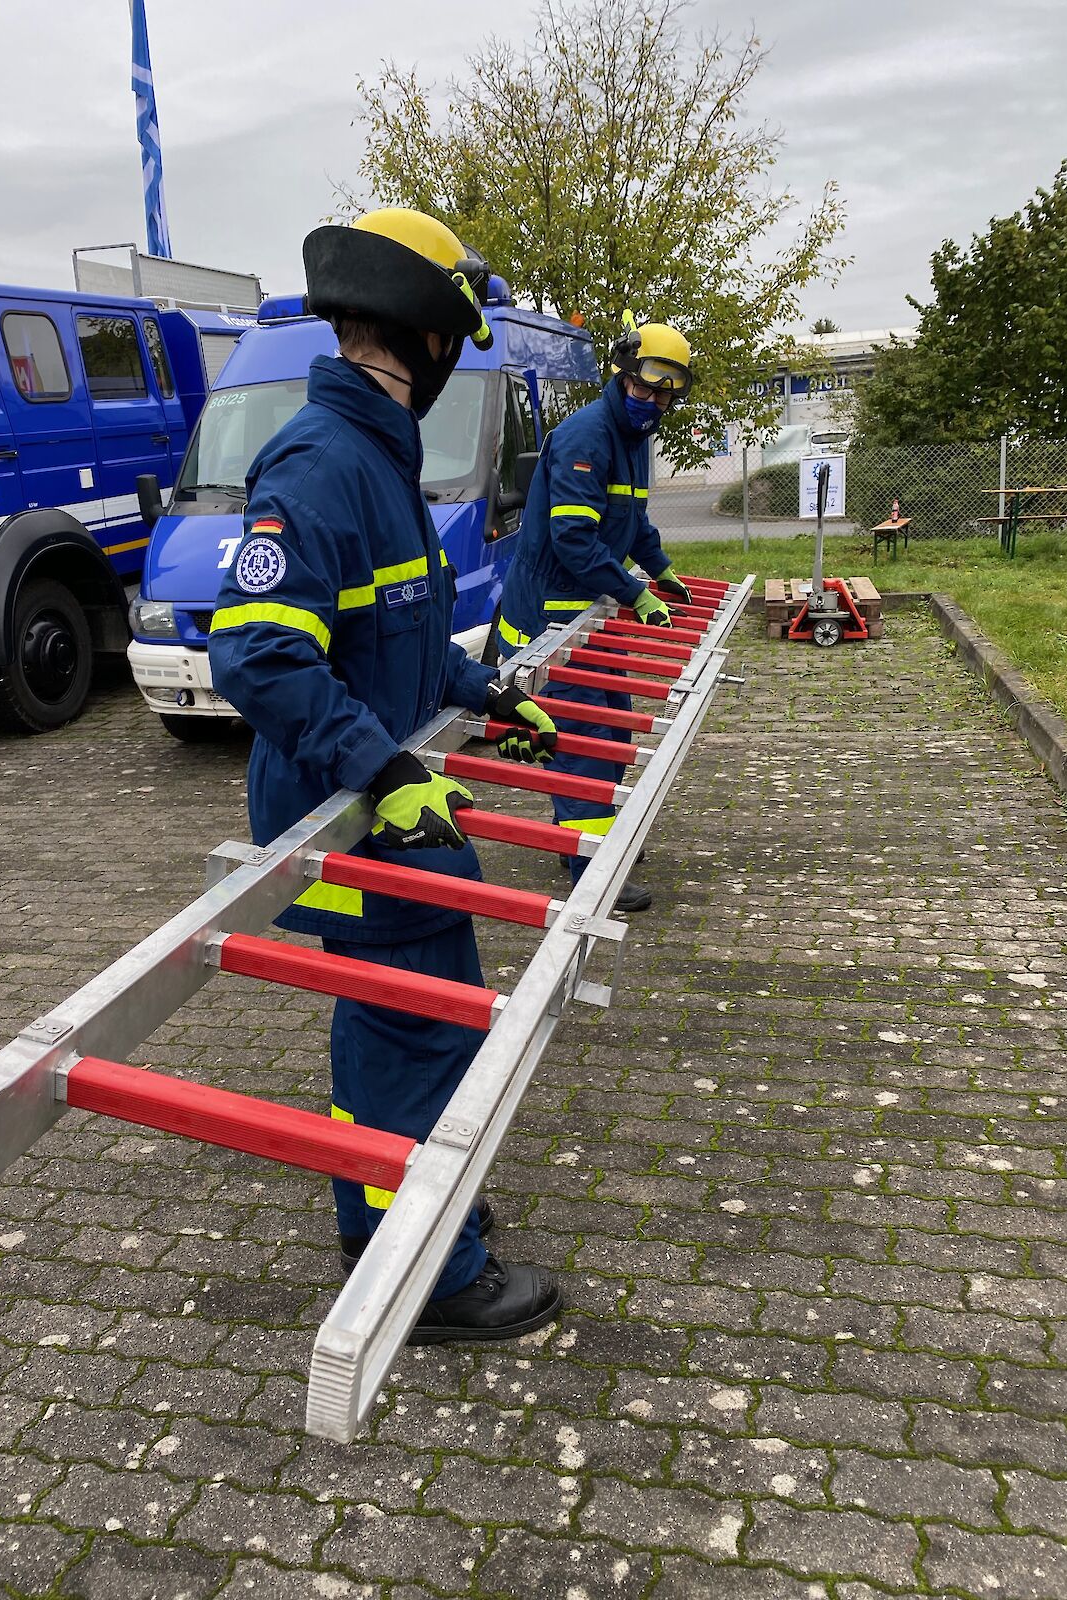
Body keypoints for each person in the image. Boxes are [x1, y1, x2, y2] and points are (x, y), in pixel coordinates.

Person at [207, 207, 562, 1342]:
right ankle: (432, 1271)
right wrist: (388, 769)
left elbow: (394, 633)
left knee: (389, 1016)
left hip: (378, 791)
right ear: (429, 335)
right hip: (355, 805)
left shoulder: (377, 455)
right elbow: (257, 649)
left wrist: (481, 688)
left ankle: (386, 1208)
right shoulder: (324, 461)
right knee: (421, 1023)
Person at [498, 314, 697, 914]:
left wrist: (657, 568)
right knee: (583, 736)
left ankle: (582, 838)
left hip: (589, 610)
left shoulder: (633, 442)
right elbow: (574, 540)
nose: (654, 401)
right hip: (551, 618)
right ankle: (591, 866)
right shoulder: (587, 436)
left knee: (609, 728)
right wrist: (635, 594)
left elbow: (630, 522)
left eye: (666, 393)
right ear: (623, 374)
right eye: (646, 387)